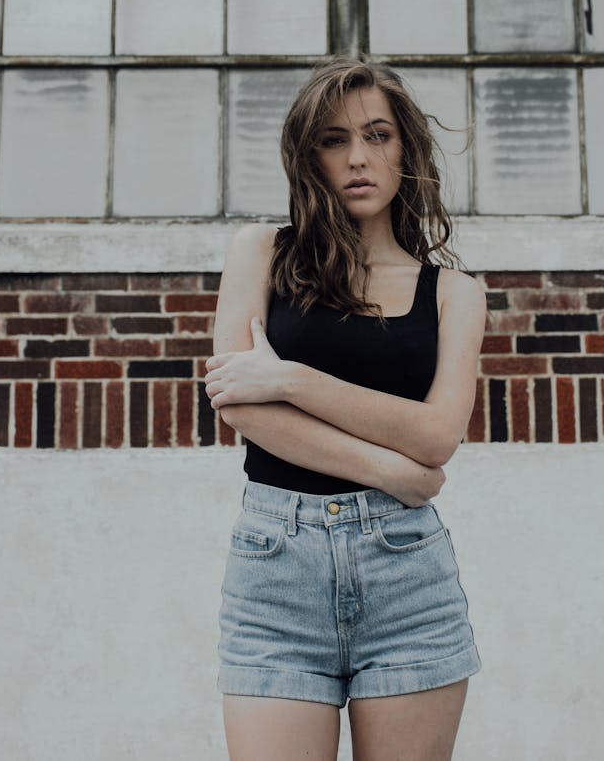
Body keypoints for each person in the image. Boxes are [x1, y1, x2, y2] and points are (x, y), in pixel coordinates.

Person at [205, 58, 486, 761]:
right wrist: (396, 473)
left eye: (378, 135)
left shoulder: (454, 293)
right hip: (275, 569)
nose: (357, 158)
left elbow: (436, 435)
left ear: (406, 151)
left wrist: (294, 378)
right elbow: (237, 400)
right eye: (333, 140)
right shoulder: (262, 254)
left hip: (407, 578)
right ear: (309, 157)